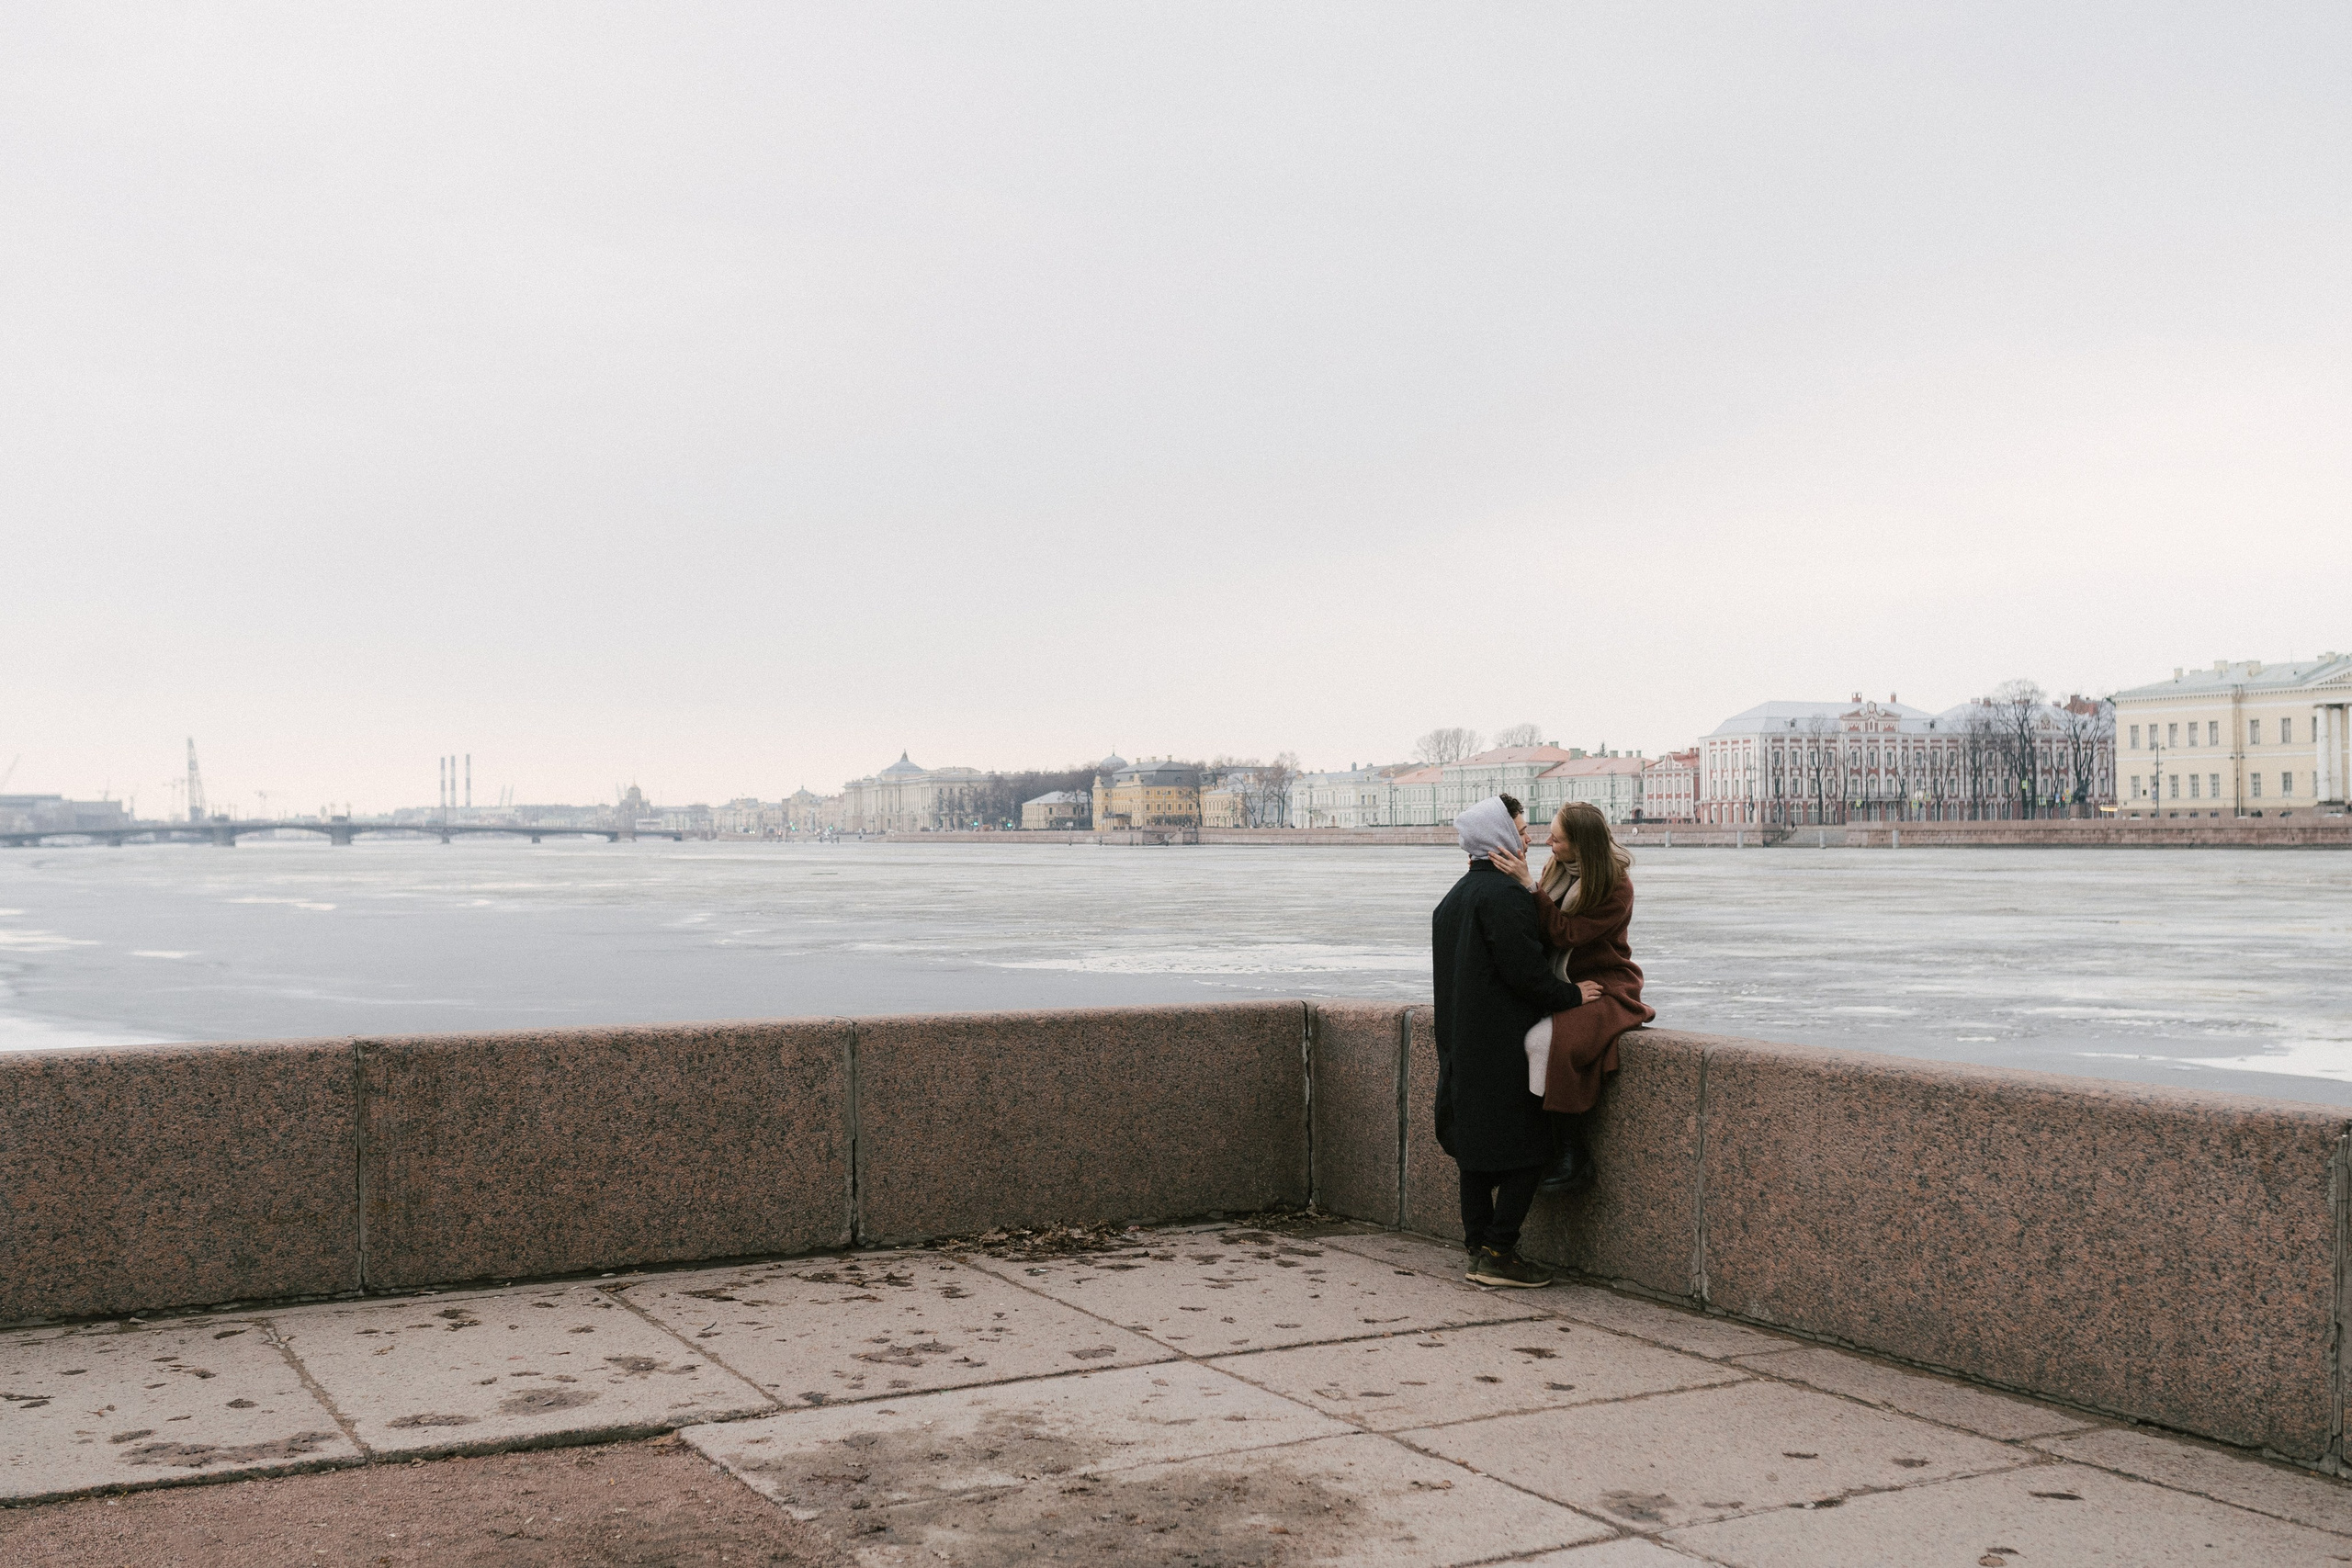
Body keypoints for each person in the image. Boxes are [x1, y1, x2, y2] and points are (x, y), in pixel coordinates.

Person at [1431, 794, 1601, 1288]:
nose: (1529, 838)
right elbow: (1526, 975)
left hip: (1460, 1042)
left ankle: (1477, 1249)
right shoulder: (1506, 898)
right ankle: (1500, 1251)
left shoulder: (1453, 899)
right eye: (1522, 830)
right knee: (1530, 1150)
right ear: (1500, 838)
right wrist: (1572, 996)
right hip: (1503, 1044)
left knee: (1475, 1153)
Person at [1492, 801, 1655, 1192]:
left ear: (1581, 845)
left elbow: (1567, 934)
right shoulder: (1557, 868)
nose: (1548, 842)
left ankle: (1571, 1153)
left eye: (1557, 838)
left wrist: (1529, 886)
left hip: (1605, 985)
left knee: (1553, 1043)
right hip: (1562, 981)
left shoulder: (1616, 883)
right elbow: (1532, 921)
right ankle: (1533, 1145)